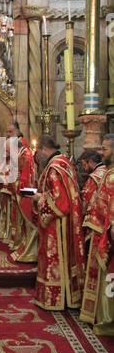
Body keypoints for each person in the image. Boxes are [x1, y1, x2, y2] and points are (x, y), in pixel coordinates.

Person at [33, 135, 85, 311]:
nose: (38, 154)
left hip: (58, 225)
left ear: (44, 148)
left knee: (55, 259)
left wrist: (39, 199)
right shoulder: (65, 162)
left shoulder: (54, 168)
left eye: (38, 151)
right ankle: (68, 296)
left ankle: (57, 298)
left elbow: (60, 201)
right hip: (67, 222)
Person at [80, 134, 114, 335]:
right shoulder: (108, 173)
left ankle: (106, 319)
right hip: (99, 229)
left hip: (104, 232)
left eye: (106, 149)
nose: (102, 152)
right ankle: (100, 316)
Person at [10, 140, 38, 262]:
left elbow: (25, 178)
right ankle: (27, 248)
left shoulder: (25, 156)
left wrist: (16, 185)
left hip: (27, 192)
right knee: (25, 224)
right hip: (28, 190)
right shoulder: (25, 154)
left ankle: (30, 252)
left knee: (28, 222)